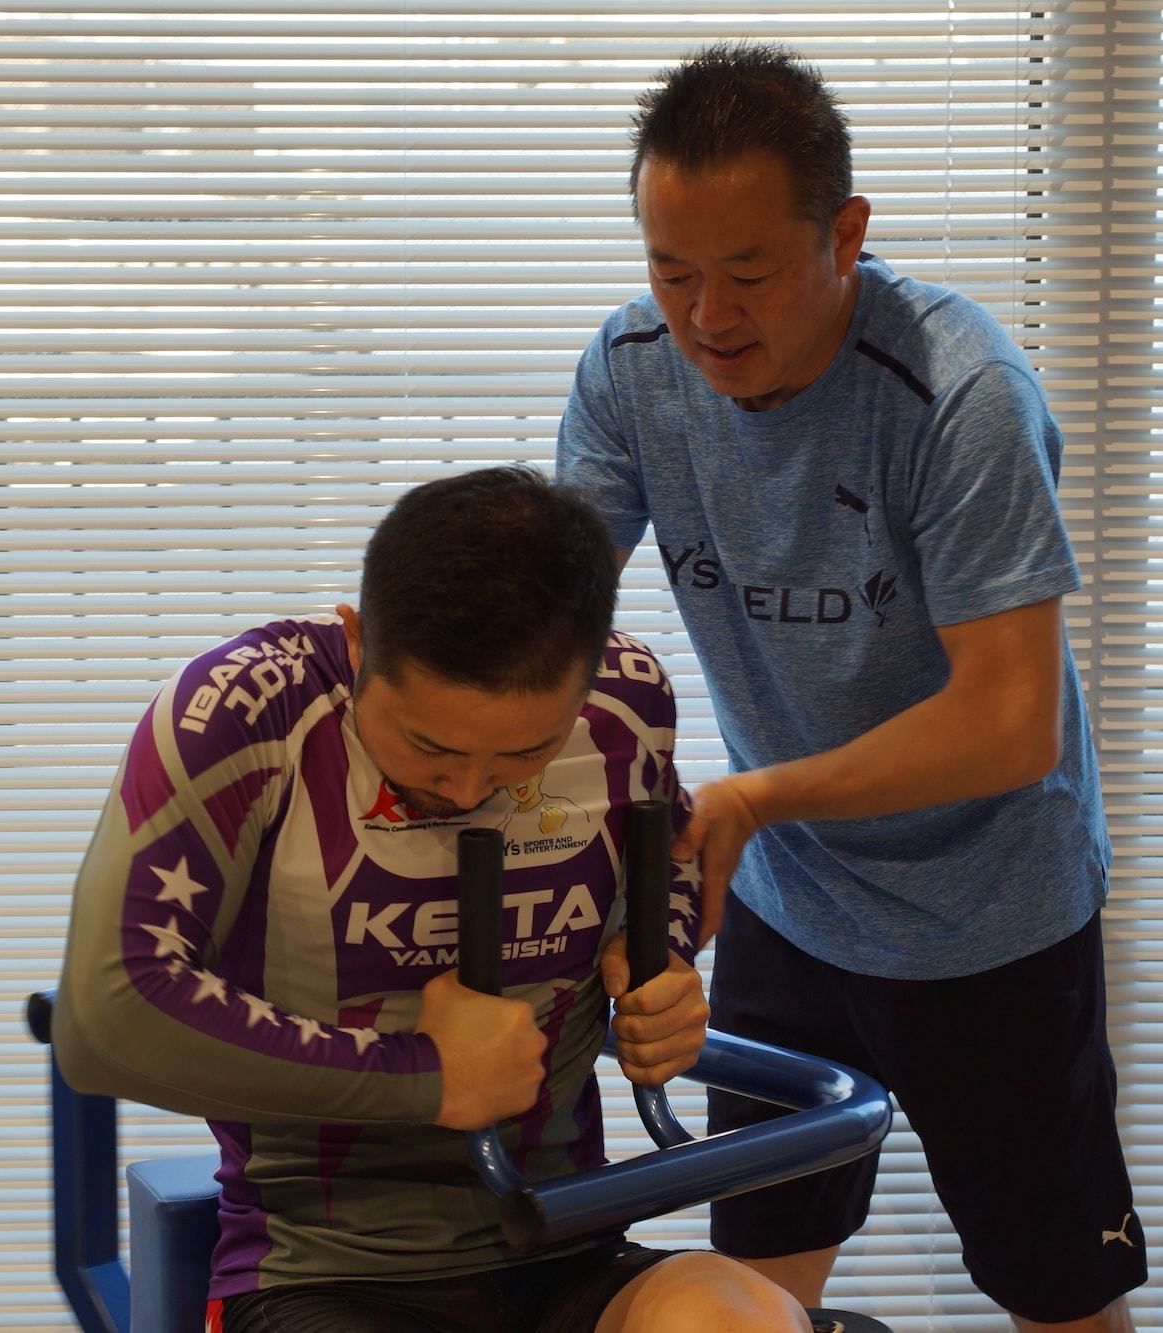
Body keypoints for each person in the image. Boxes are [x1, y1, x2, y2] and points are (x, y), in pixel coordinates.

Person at [555, 42, 1145, 1333]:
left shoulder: (957, 394)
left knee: (1058, 1294)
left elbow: (1011, 724)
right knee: (751, 1291)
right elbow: (548, 616)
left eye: (749, 272)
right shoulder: (632, 368)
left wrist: (753, 799)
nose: (706, 316)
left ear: (845, 235)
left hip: (991, 914)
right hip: (792, 901)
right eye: (671, 270)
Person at [53, 466, 810, 1333]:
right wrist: (426, 1077)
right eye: (429, 746)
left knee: (747, 1318)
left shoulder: (629, 695)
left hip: (569, 1239)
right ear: (357, 642)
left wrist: (660, 964)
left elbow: (666, 860)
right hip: (324, 1267)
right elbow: (105, 1017)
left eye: (523, 754)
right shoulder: (246, 709)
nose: (468, 789)